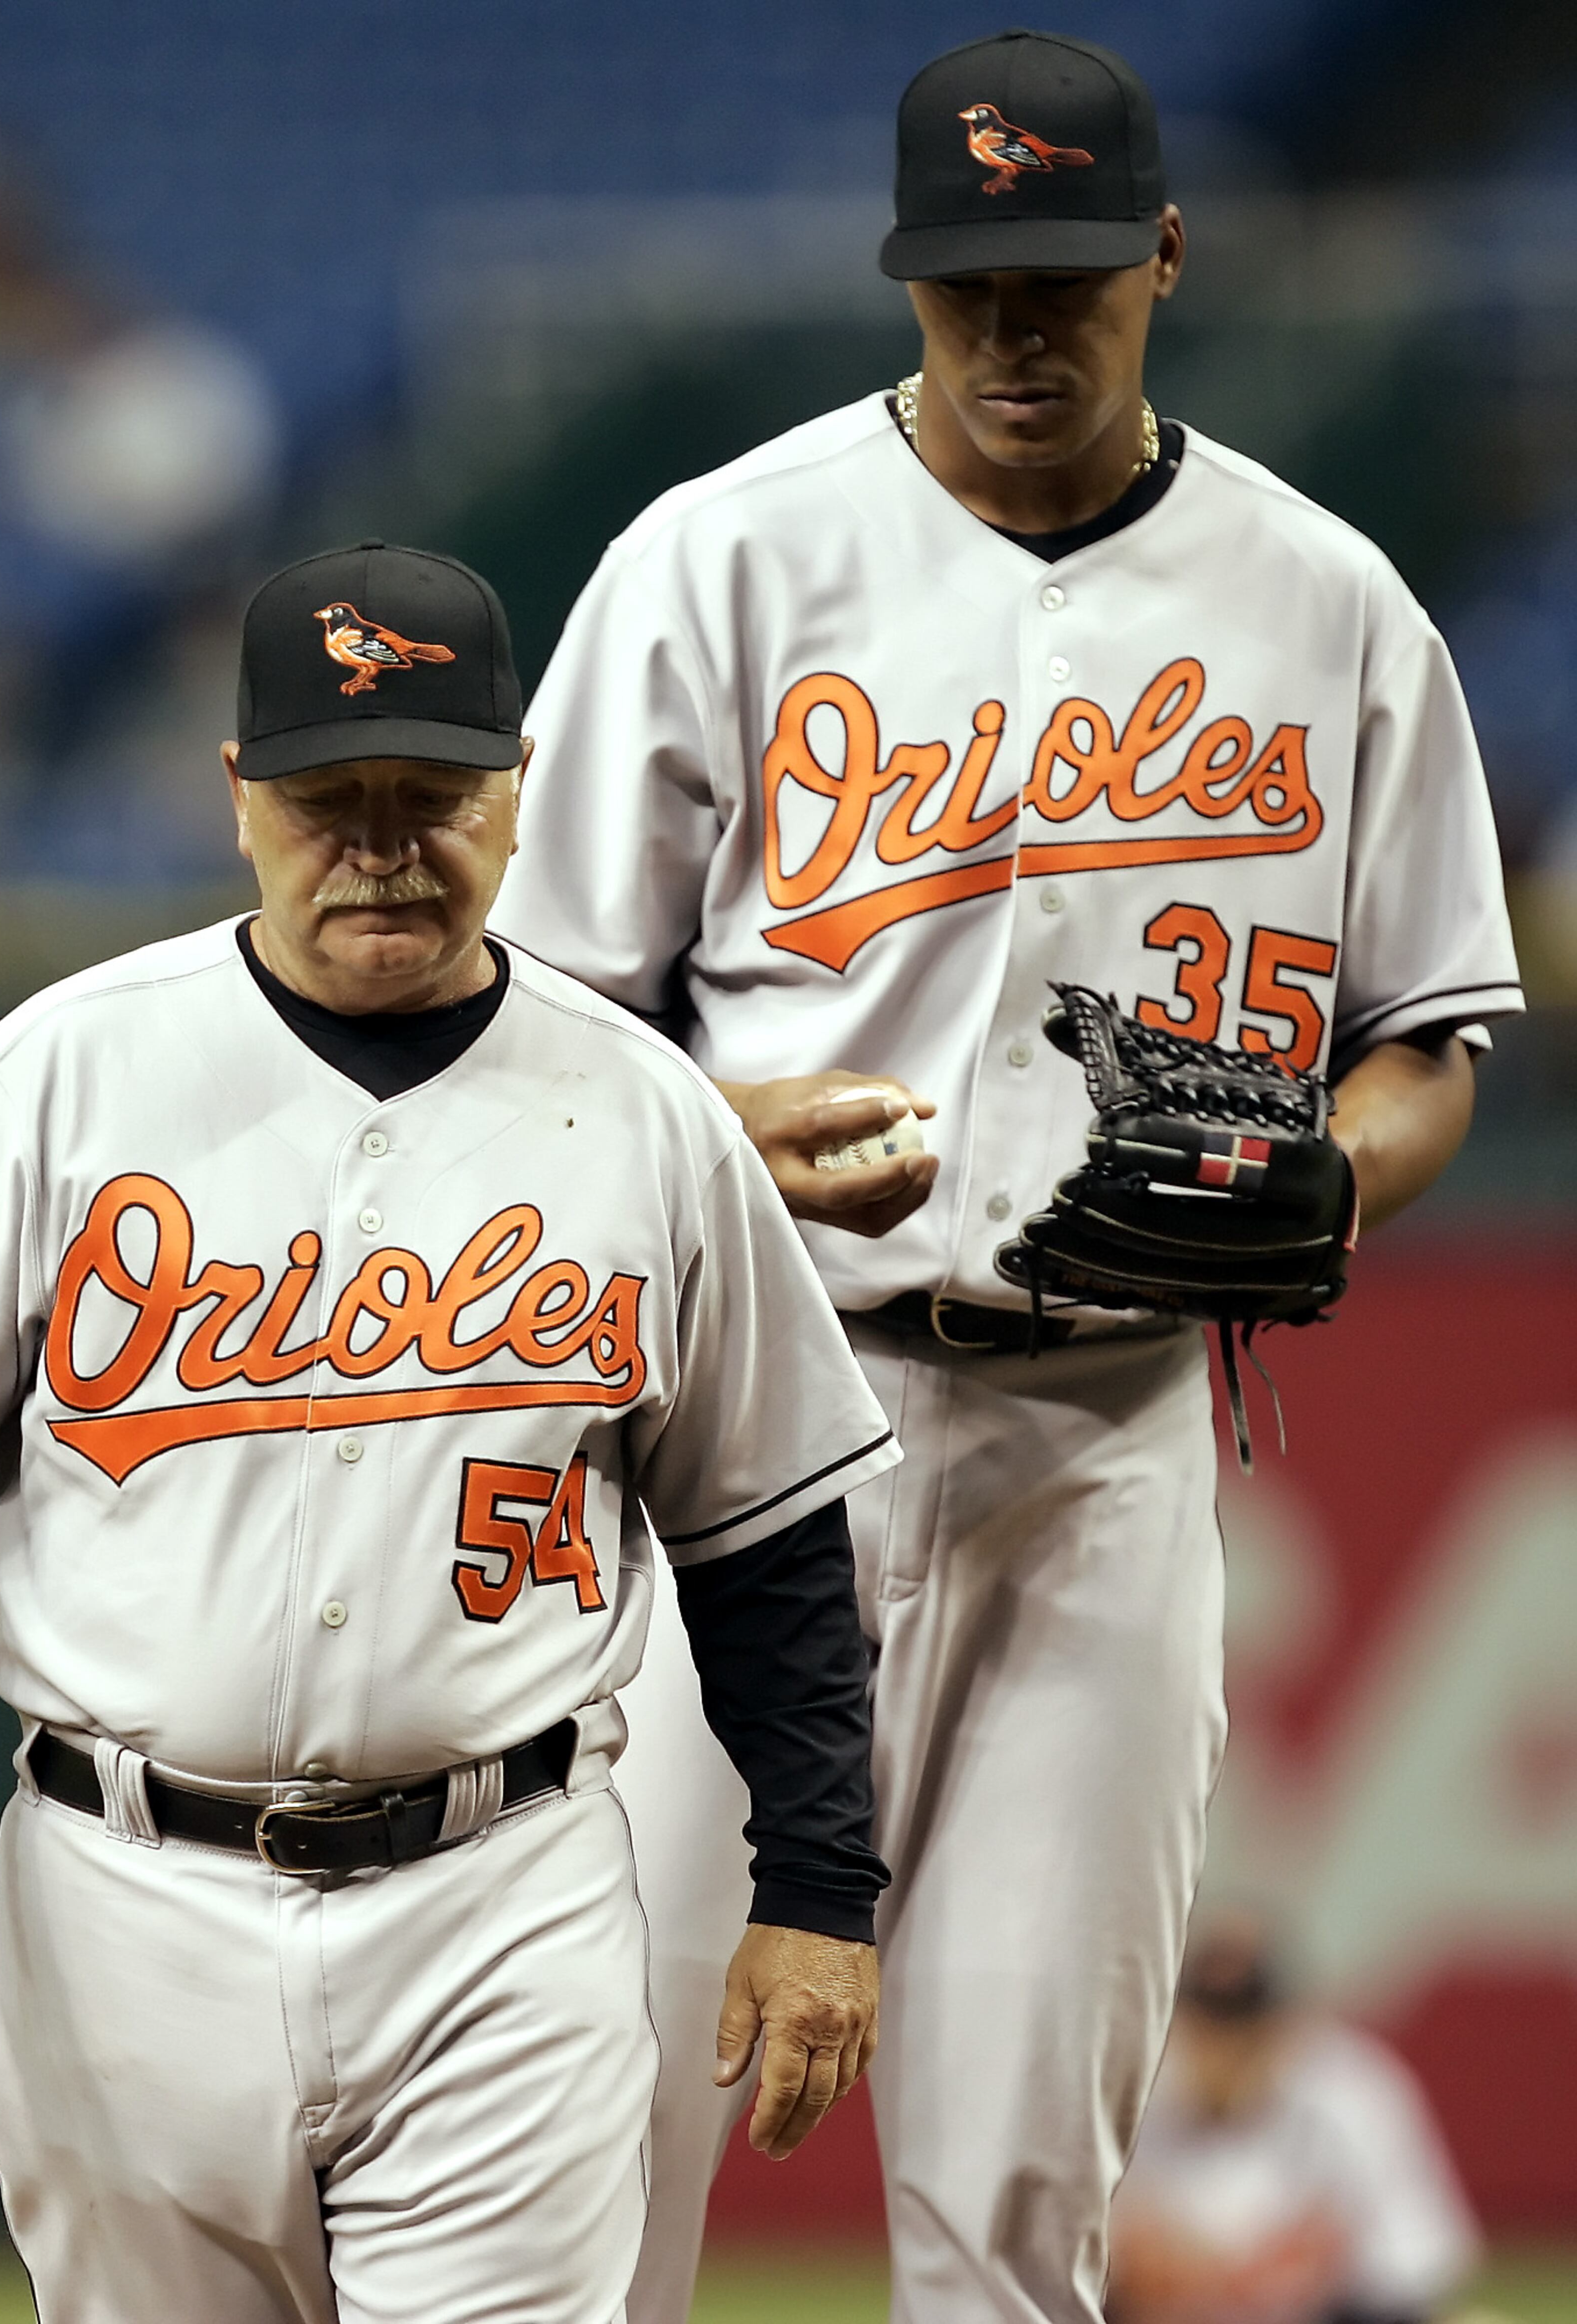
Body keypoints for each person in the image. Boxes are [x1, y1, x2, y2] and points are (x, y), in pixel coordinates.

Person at [490, 28, 1521, 2324]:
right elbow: (517, 1037)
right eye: (972, 284)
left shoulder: (1330, 596)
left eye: (1064, 274)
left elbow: (1428, 1040)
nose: (1017, 329)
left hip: (1115, 1440)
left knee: (1024, 2183)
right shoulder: (721, 558)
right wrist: (701, 1131)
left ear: (1162, 256)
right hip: (745, 1440)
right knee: (599, 2130)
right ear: (903, 277)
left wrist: (1338, 1188)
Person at [0, 541, 899, 2324]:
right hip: (119, 1897)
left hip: (504, 1903)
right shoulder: (65, 1069)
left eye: (430, 791)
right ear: (236, 797)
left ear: (515, 793)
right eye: (326, 795)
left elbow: (767, 1545)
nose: (380, 840)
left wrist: (822, 1885)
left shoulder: (648, 1112)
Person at [1110, 1915, 1481, 2324]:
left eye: (1244, 2022)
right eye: (1211, 2022)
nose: (1226, 2045)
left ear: (1288, 2019)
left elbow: (1417, 2267)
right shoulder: (1130, 2095)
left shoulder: (1354, 2091)